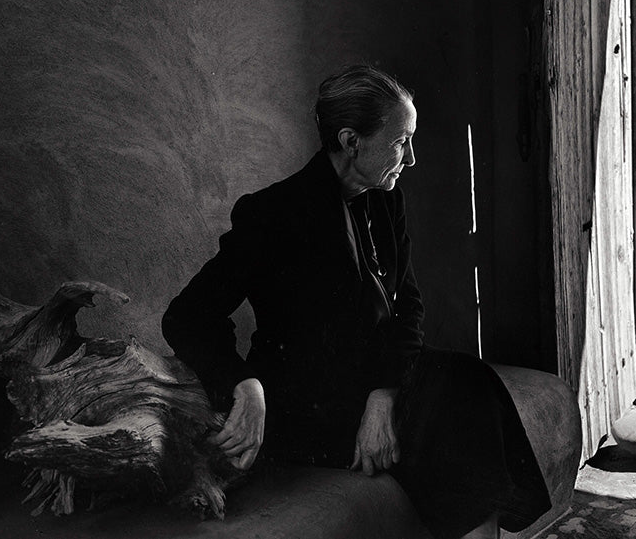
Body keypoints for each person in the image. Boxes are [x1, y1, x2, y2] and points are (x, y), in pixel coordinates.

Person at [162, 65, 550, 539]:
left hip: (371, 382)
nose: (410, 158)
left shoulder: (386, 203)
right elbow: (187, 316)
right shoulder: (273, 214)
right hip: (309, 402)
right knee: (451, 417)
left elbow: (408, 307)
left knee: (470, 382)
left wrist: (382, 398)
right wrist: (245, 384)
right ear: (351, 141)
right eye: (400, 141)